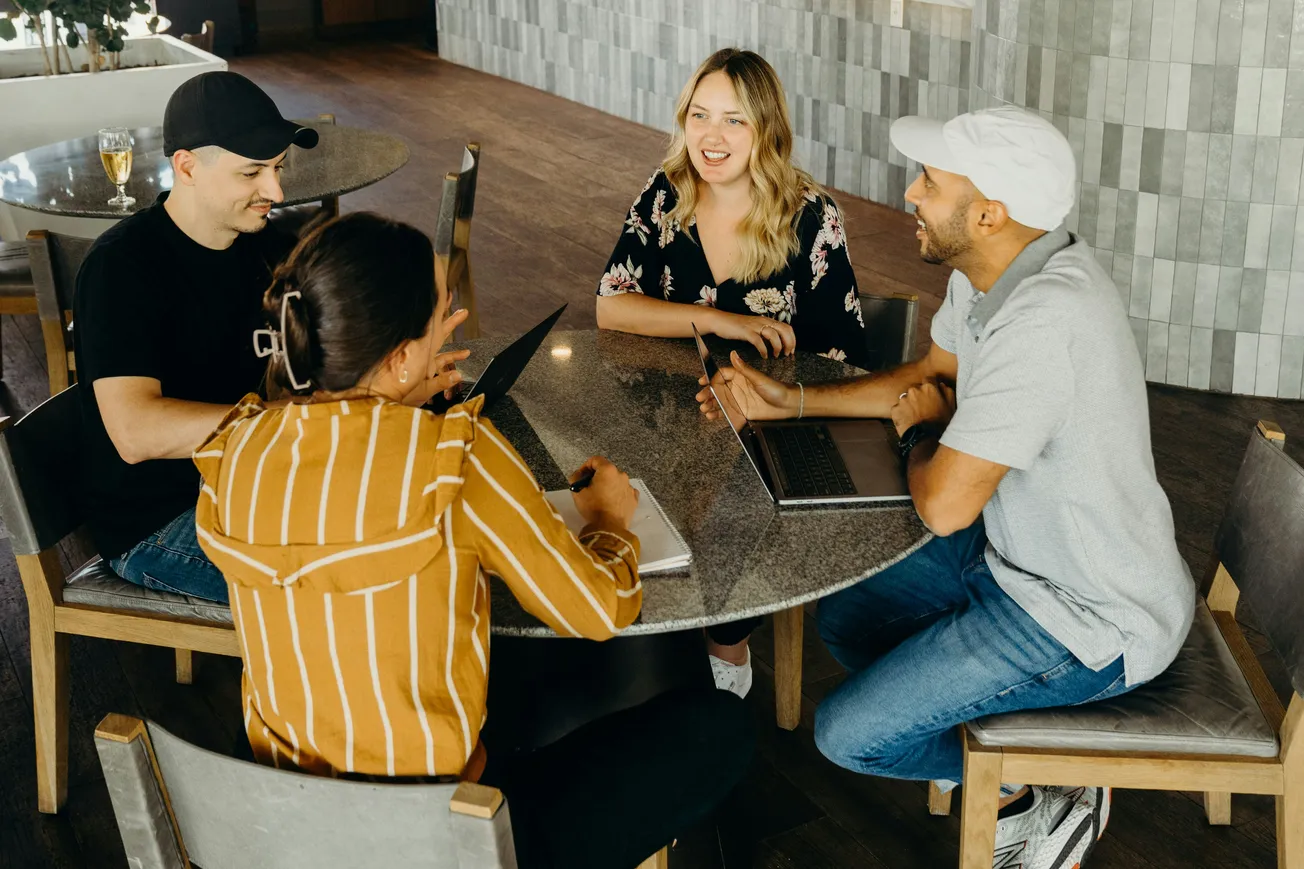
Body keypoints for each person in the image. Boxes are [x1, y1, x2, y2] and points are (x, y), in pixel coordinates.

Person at [695, 106, 1195, 869]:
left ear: (988, 213)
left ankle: (1043, 783)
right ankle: (1008, 765)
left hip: (1091, 615)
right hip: (1020, 559)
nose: (910, 192)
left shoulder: (1044, 322)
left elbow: (943, 501)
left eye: (930, 180)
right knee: (851, 618)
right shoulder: (997, 271)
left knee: (851, 735)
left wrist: (916, 434)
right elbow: (931, 378)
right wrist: (789, 400)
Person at [193, 212, 754, 869]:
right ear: (399, 355)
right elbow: (601, 608)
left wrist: (396, 393)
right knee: (720, 728)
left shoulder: (236, 448)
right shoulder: (451, 456)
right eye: (440, 317)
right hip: (440, 841)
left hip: (284, 828)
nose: (452, 328)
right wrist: (608, 520)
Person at [596, 47, 869, 695]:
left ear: (766, 131)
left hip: (769, 423)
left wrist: (761, 392)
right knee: (606, 485)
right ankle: (653, 629)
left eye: (734, 121)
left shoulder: (810, 215)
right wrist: (718, 320)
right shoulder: (667, 193)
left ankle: (726, 646)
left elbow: (843, 358)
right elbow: (611, 305)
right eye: (700, 116)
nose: (711, 138)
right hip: (667, 408)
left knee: (732, 496)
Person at [73, 72, 323, 603]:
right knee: (347, 586)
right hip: (160, 519)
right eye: (252, 172)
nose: (275, 192)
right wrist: (296, 423)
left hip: (260, 482)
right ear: (186, 166)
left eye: (278, 168)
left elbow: (317, 366)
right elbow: (136, 431)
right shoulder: (123, 267)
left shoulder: (272, 247)